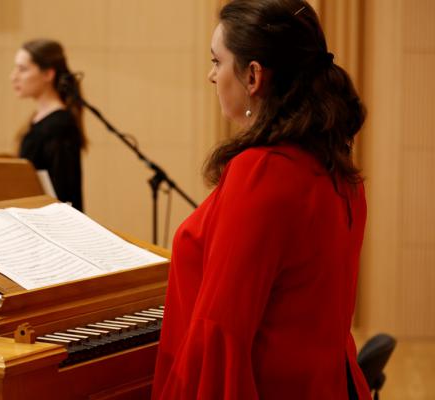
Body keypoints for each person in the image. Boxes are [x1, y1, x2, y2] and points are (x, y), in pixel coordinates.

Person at [152, 1, 370, 399]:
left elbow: (221, 334)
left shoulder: (262, 172)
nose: (211, 75)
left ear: (253, 75)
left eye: (217, 61)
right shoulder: (337, 168)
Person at [10, 39, 86, 211]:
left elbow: (64, 191)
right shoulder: (39, 119)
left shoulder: (60, 125)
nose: (13, 76)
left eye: (22, 69)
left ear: (48, 74)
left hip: (54, 224)